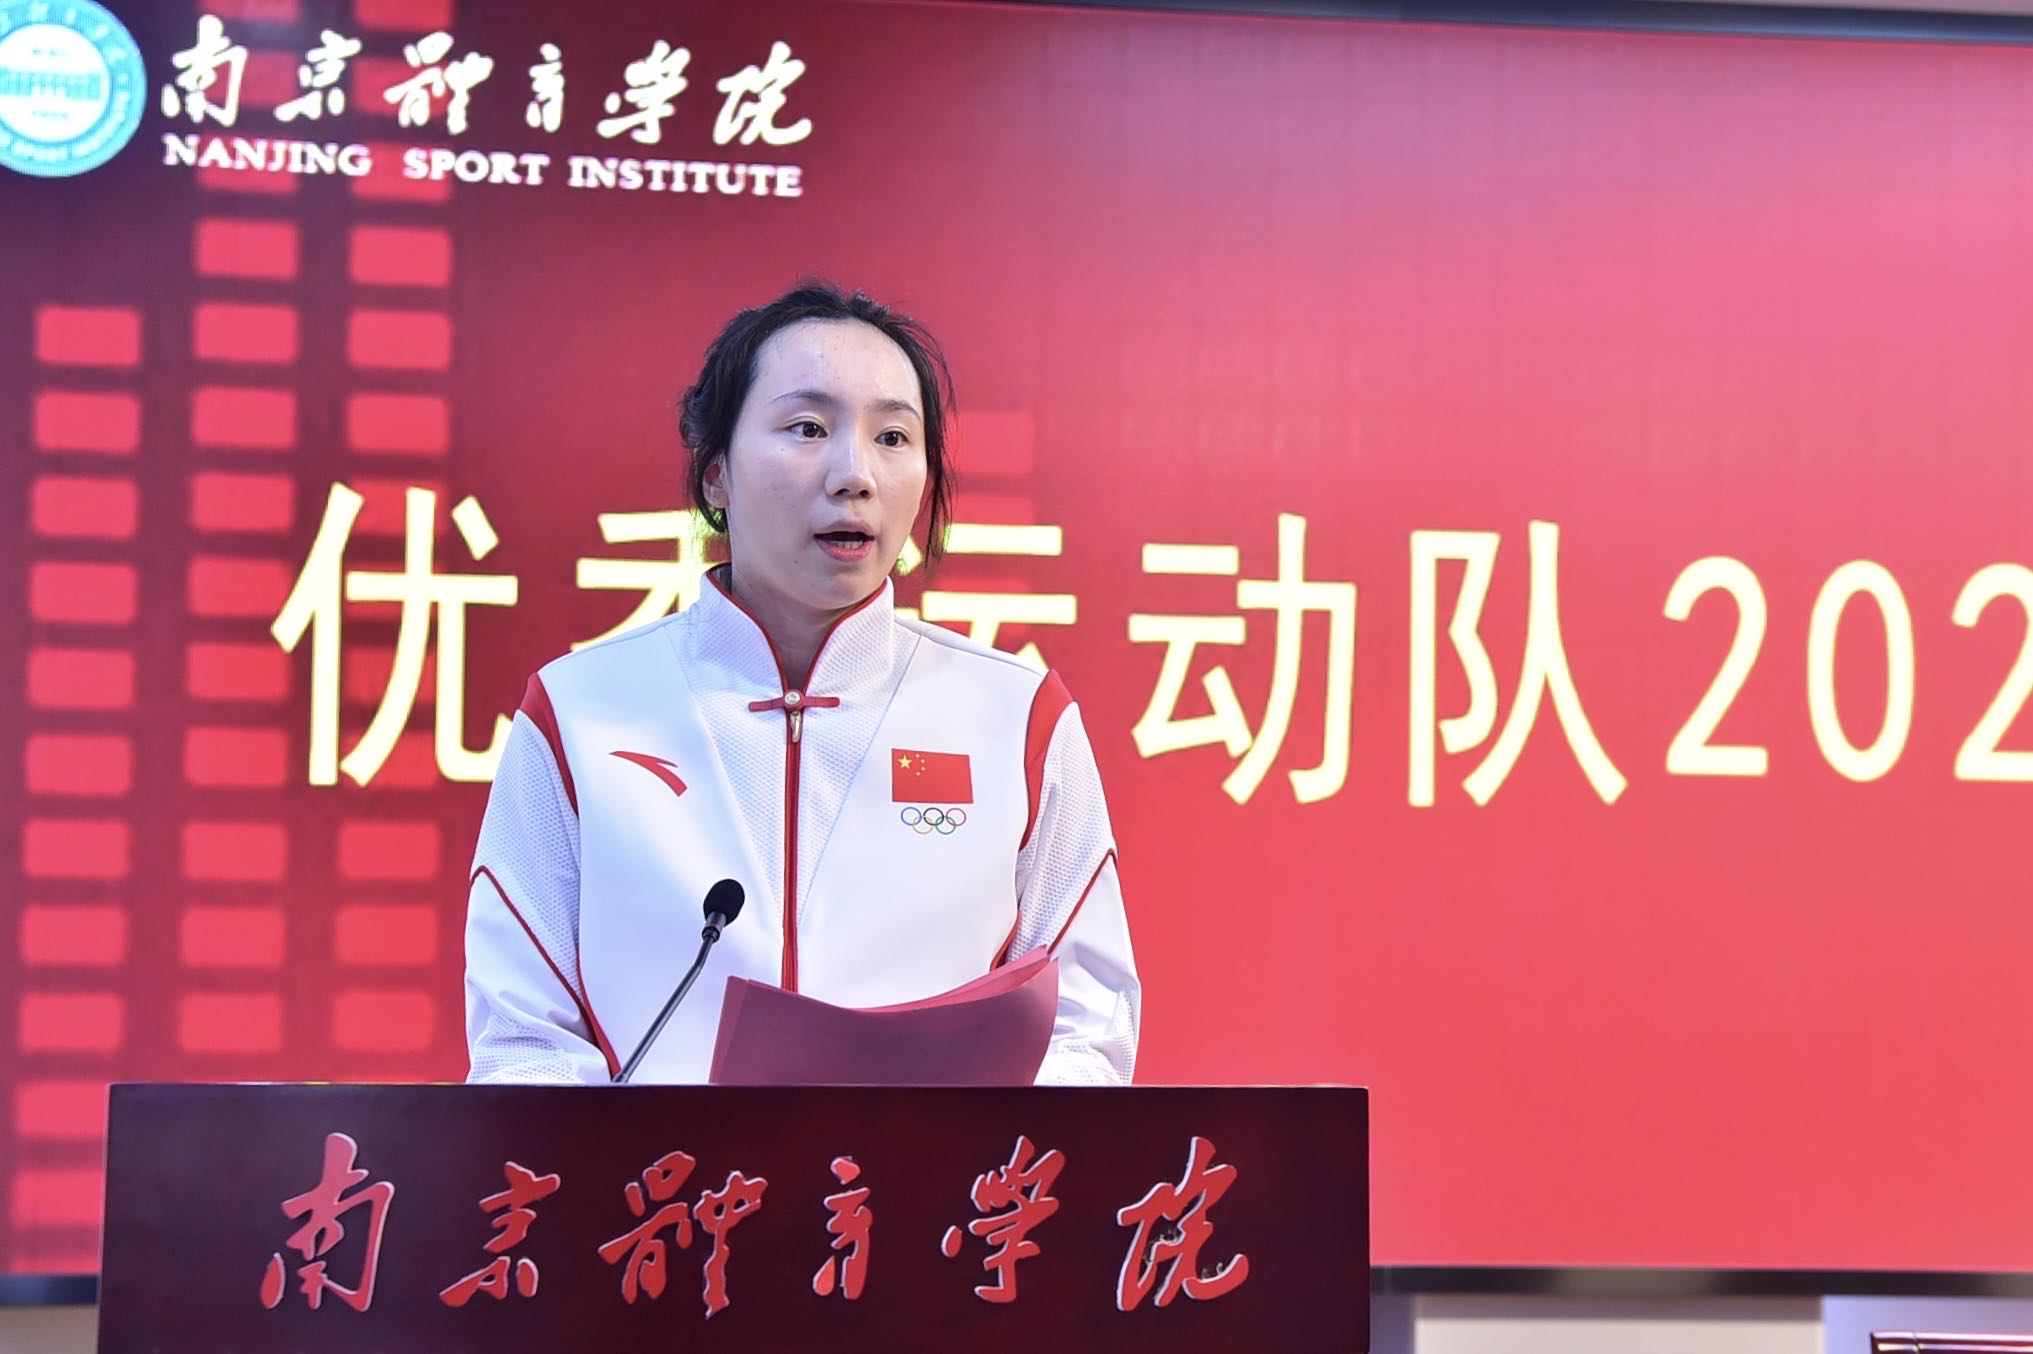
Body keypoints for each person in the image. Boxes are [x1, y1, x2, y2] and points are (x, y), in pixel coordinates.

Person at [462, 283, 1139, 1086]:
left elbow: (1086, 1030)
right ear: (715, 475)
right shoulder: (579, 712)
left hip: (932, 1172)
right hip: (651, 1173)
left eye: (893, 436)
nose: (855, 474)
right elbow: (522, 1040)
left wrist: (955, 1155)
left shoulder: (1016, 717)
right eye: (808, 428)